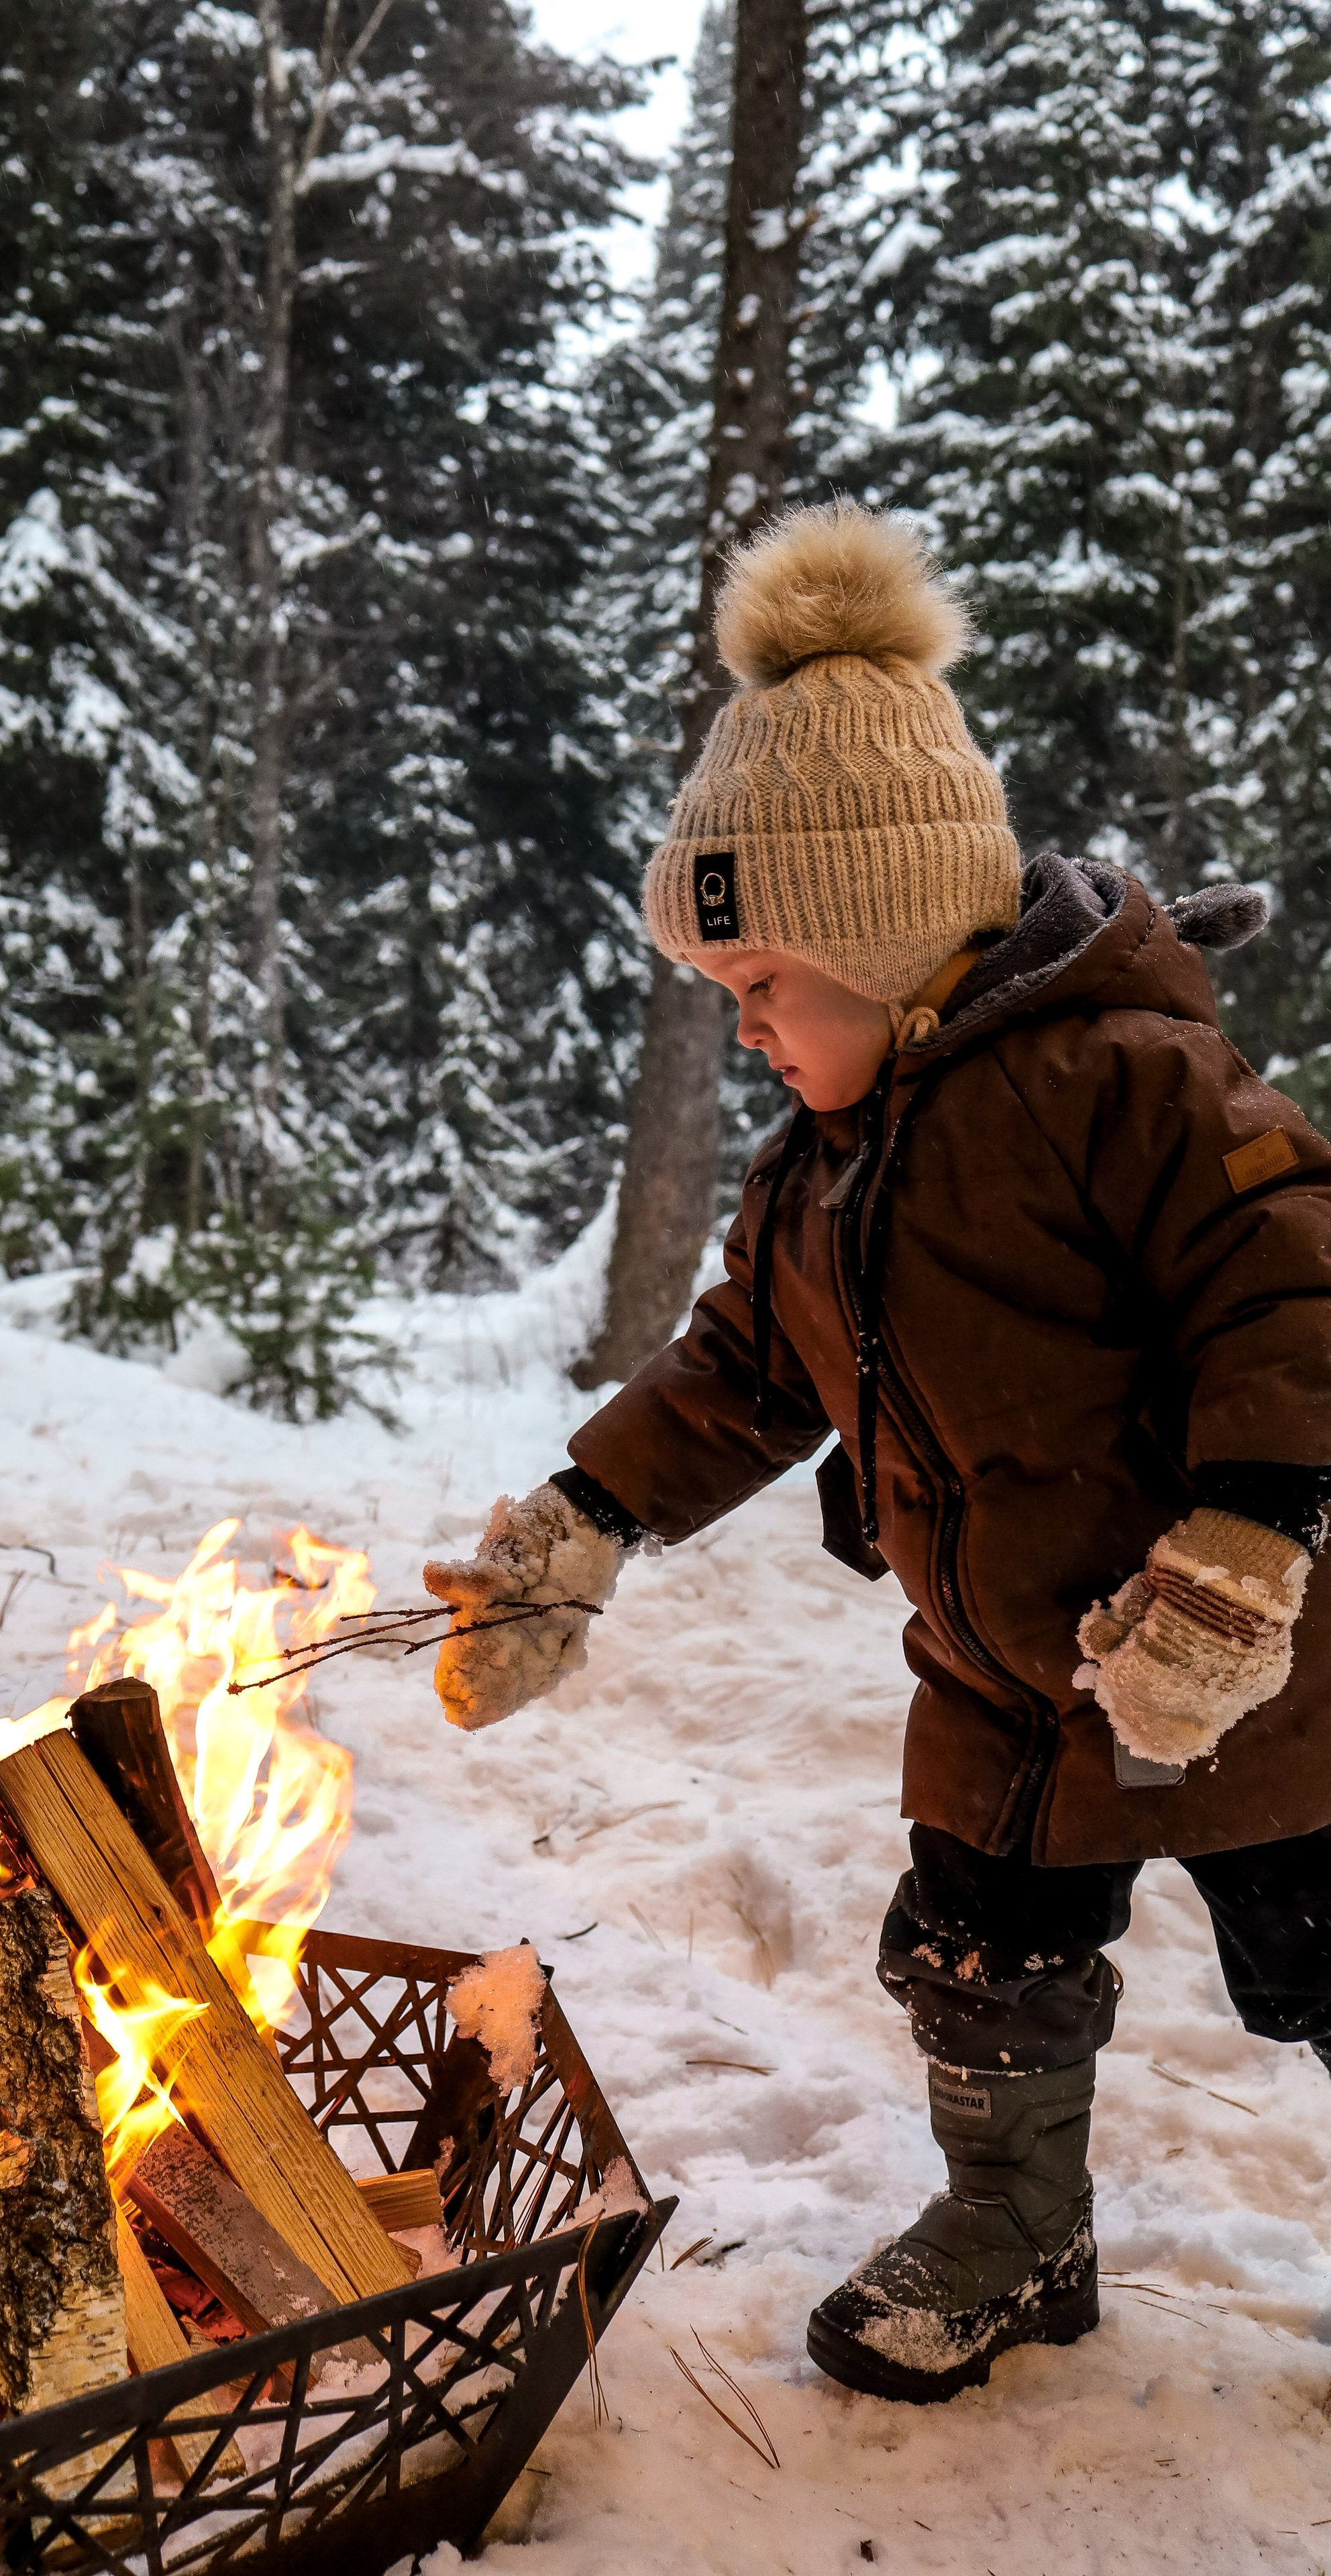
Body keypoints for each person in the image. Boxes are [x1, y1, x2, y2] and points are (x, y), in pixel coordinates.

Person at [421, 502, 1331, 2406]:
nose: (747, 1030)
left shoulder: (1128, 1085)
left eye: (765, 989)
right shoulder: (819, 1170)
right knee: (979, 1953)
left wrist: (1247, 1545)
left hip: (1248, 1659)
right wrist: (581, 1522)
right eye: (726, 1000)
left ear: (896, 939)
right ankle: (1018, 2230)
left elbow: (1291, 1294)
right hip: (1004, 1676)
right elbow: (741, 1370)